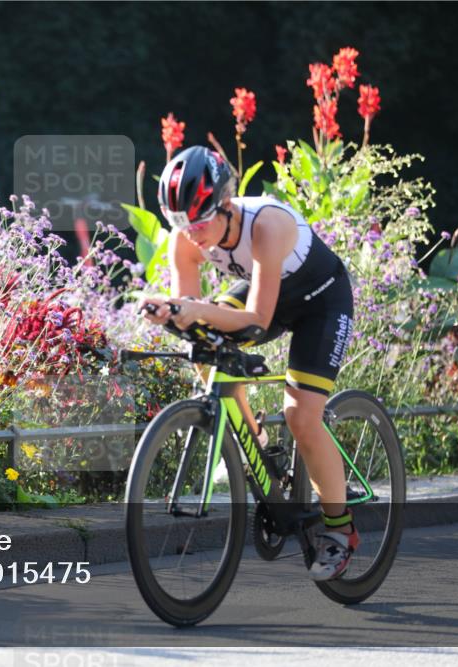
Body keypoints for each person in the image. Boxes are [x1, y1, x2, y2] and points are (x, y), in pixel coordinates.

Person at [140, 145, 358, 581]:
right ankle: (253, 443)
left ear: (225, 205)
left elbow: (257, 320)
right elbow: (193, 313)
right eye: (179, 225)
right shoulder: (187, 240)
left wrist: (189, 308)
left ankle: (340, 530)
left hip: (321, 303)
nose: (190, 235)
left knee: (302, 417)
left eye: (198, 223)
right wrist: (174, 314)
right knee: (204, 342)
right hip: (266, 295)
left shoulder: (267, 224)